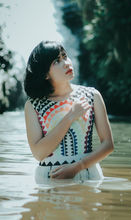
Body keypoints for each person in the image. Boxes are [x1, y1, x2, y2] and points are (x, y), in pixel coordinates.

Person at [24, 40, 114, 183]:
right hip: (48, 179)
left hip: (88, 176)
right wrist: (70, 116)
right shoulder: (33, 104)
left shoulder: (92, 95)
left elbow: (108, 145)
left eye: (65, 56)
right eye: (56, 61)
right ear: (45, 74)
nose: (66, 63)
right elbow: (38, 153)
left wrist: (78, 167)